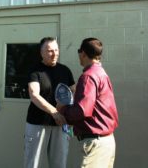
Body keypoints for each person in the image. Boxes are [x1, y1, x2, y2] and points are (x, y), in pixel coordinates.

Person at [58, 38, 118, 168]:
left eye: (79, 51)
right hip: (107, 141)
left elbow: (82, 110)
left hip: (96, 144)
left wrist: (63, 109)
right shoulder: (101, 73)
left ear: (83, 53)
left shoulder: (88, 76)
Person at [24, 37, 76, 168]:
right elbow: (34, 95)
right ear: (41, 53)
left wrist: (69, 114)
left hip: (61, 126)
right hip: (38, 124)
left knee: (59, 164)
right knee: (33, 164)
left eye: (56, 50)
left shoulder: (65, 70)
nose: (54, 53)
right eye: (50, 51)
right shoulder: (35, 71)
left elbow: (73, 93)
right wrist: (54, 112)